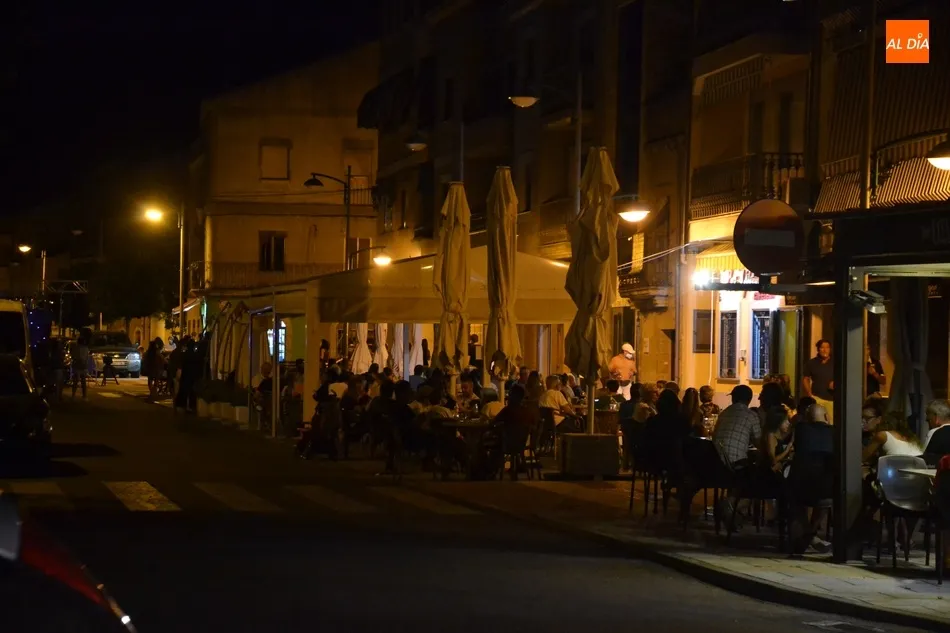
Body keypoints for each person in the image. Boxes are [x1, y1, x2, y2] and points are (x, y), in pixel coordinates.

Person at [802, 339, 834, 423]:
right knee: (817, 422)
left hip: (832, 399)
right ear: (818, 349)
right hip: (817, 398)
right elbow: (805, 379)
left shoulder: (836, 362)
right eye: (822, 347)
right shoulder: (811, 363)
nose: (825, 350)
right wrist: (809, 394)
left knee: (831, 423)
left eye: (827, 347)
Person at [924, 399, 950, 466]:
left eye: (929, 420)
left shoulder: (934, 432)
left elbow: (925, 461)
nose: (928, 424)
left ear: (936, 418)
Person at [71, 333, 91, 399]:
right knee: (83, 381)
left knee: (75, 381)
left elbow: (74, 356)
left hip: (77, 365)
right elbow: (86, 357)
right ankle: (84, 396)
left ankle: (73, 395)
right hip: (83, 366)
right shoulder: (86, 348)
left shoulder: (76, 348)